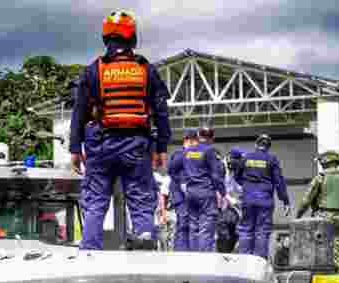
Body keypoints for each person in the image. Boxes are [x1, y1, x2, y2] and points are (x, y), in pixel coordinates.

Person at [70, 10, 171, 251]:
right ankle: (145, 250)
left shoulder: (94, 69)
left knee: (95, 202)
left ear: (106, 37)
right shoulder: (146, 69)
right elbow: (161, 111)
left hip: (101, 144)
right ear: (133, 37)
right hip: (136, 144)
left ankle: (90, 255)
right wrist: (161, 147)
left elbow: (80, 110)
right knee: (140, 200)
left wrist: (75, 147)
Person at [295, 151, 339, 273]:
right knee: (338, 251)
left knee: (320, 249)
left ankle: (321, 276)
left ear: (325, 162)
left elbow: (306, 200)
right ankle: (338, 277)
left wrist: (298, 216)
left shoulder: (320, 177)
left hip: (323, 217)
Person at [235, 134, 290, 259]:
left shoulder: (246, 158)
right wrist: (285, 201)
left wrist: (247, 187)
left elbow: (237, 176)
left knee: (246, 230)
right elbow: (279, 182)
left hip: (248, 199)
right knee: (262, 232)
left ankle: (244, 260)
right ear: (268, 147)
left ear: (256, 144)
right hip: (265, 200)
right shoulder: (272, 159)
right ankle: (259, 263)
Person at [170, 127, 224, 251]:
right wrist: (223, 192)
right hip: (206, 193)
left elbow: (171, 169)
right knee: (205, 228)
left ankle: (193, 258)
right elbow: (217, 175)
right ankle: (203, 260)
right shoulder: (210, 151)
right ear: (212, 138)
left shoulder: (186, 151)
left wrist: (183, 182)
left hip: (190, 194)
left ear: (199, 137)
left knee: (193, 227)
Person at [168, 128, 198, 251]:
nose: (195, 143)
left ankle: (189, 251)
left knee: (192, 224)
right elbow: (172, 171)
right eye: (194, 140)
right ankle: (181, 251)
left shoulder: (195, 154)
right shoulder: (180, 154)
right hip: (180, 195)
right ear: (188, 141)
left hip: (192, 194)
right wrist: (182, 183)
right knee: (184, 222)